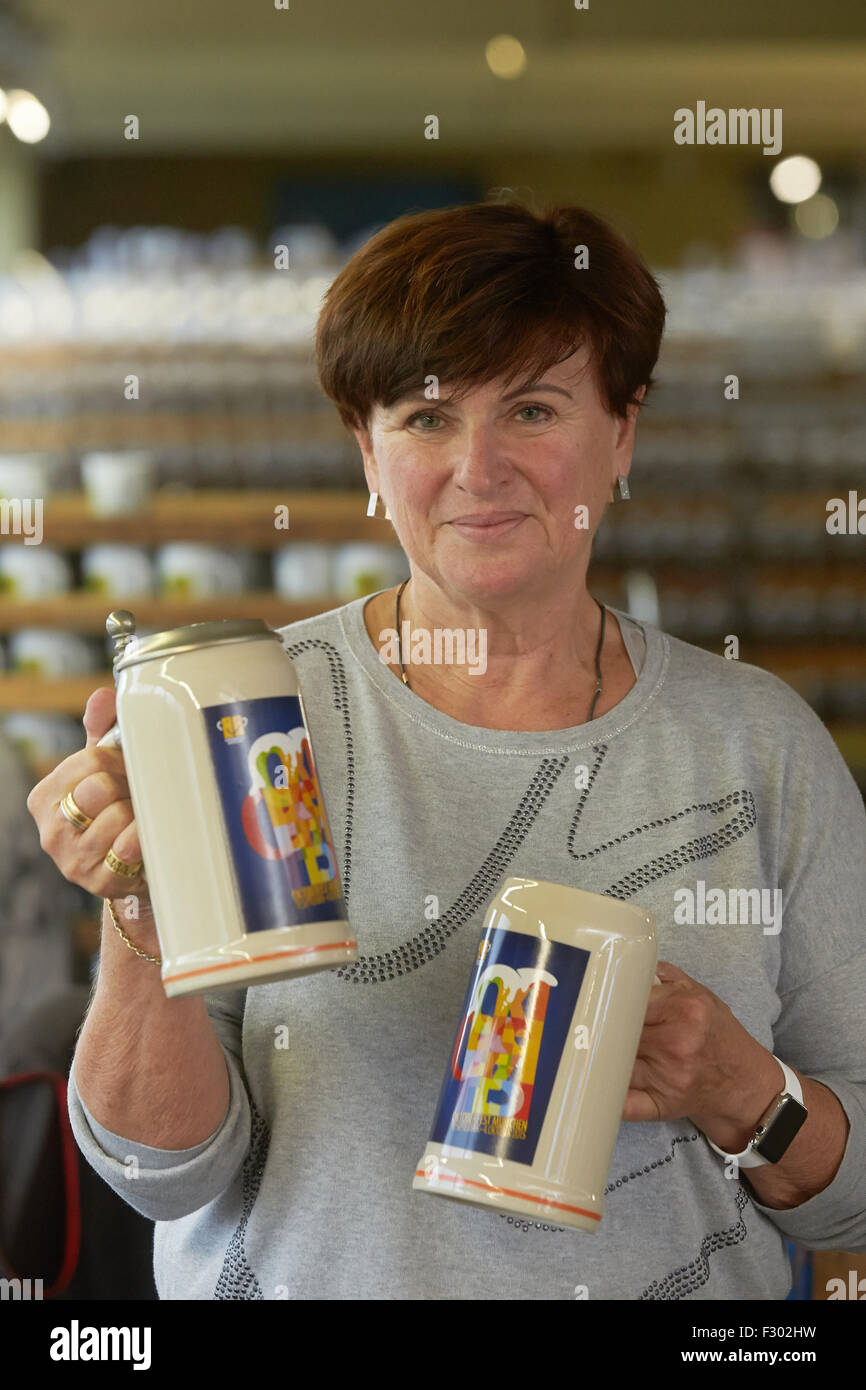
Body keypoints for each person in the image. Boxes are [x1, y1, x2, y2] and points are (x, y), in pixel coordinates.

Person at [27, 197, 866, 1300]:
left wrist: (741, 1091)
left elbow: (853, 1198)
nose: (478, 467)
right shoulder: (243, 721)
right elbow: (162, 1174)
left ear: (621, 432)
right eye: (424, 418)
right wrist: (140, 914)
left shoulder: (757, 745)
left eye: (530, 409)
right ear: (365, 454)